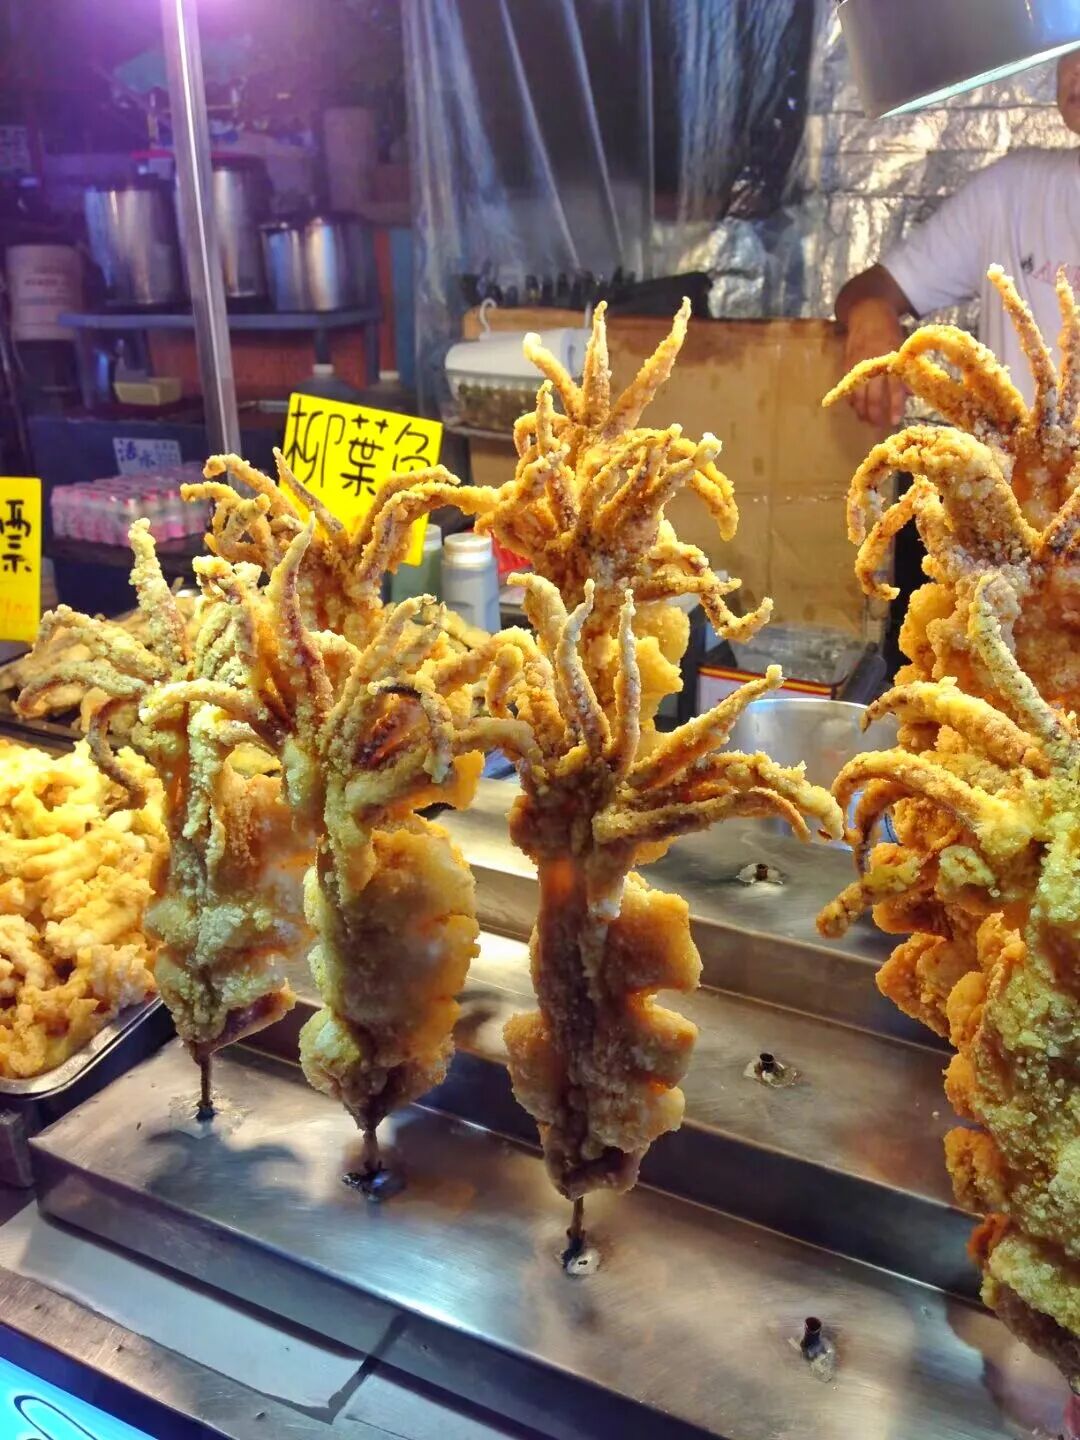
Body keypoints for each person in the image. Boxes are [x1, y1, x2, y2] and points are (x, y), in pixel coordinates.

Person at [836, 49, 1080, 426]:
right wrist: (870, 312)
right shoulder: (1012, 193)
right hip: (1013, 483)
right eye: (1071, 47)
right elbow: (874, 288)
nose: (1077, 67)